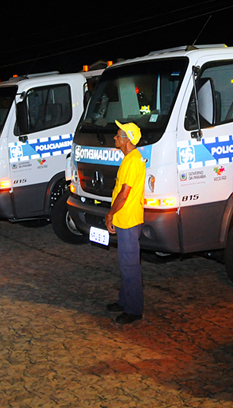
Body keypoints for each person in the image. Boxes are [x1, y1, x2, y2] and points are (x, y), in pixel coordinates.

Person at [104, 121, 146, 325]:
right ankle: (125, 301)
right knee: (126, 263)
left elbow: (124, 194)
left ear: (127, 139)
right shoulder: (131, 159)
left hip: (127, 219)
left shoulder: (132, 162)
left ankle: (133, 309)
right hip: (126, 218)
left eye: (118, 135)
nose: (115, 138)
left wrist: (110, 214)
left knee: (129, 265)